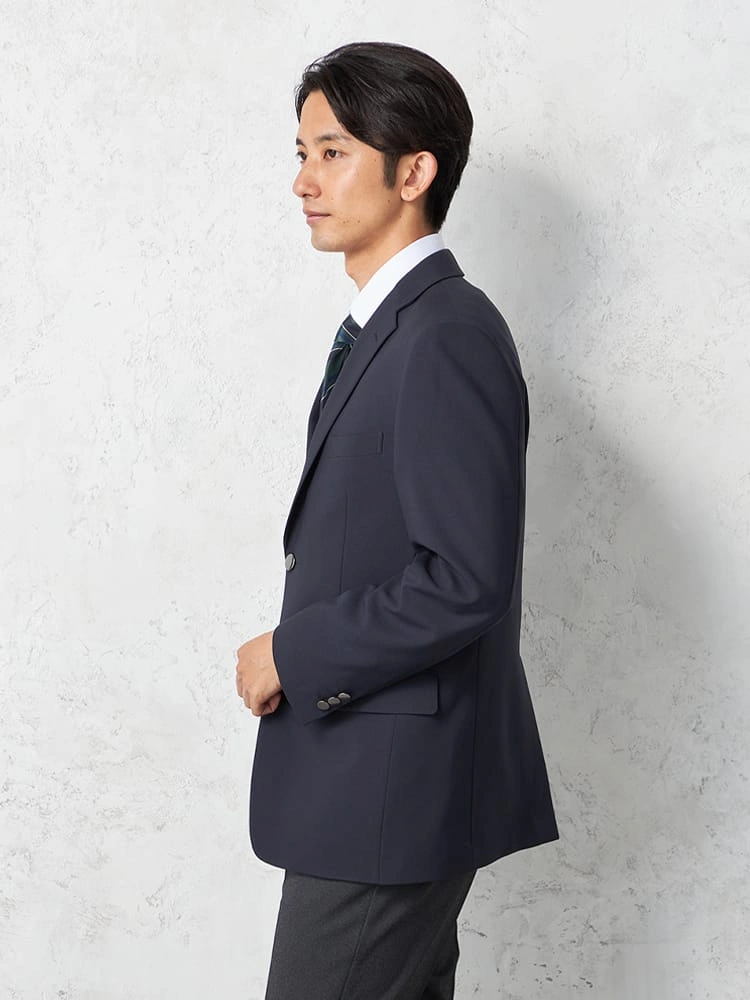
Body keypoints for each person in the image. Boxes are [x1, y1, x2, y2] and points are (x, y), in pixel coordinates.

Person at [234, 40, 559, 1000]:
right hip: (371, 781)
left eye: (334, 152)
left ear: (413, 173)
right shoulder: (394, 328)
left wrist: (295, 652)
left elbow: (464, 579)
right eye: (302, 153)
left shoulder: (445, 334)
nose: (304, 181)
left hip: (391, 790)